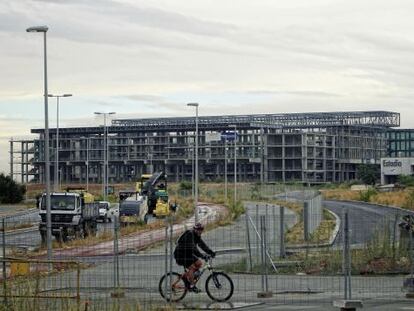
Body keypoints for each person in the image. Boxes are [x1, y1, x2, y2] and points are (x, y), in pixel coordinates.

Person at [174, 222, 216, 293]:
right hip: (180, 255)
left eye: (201, 229)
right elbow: (193, 248)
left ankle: (186, 277)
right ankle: (192, 286)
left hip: (187, 254)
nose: (200, 231)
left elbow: (203, 245)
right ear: (194, 229)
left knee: (199, 263)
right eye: (198, 229)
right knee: (192, 268)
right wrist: (202, 255)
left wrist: (211, 252)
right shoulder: (190, 234)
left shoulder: (197, 236)